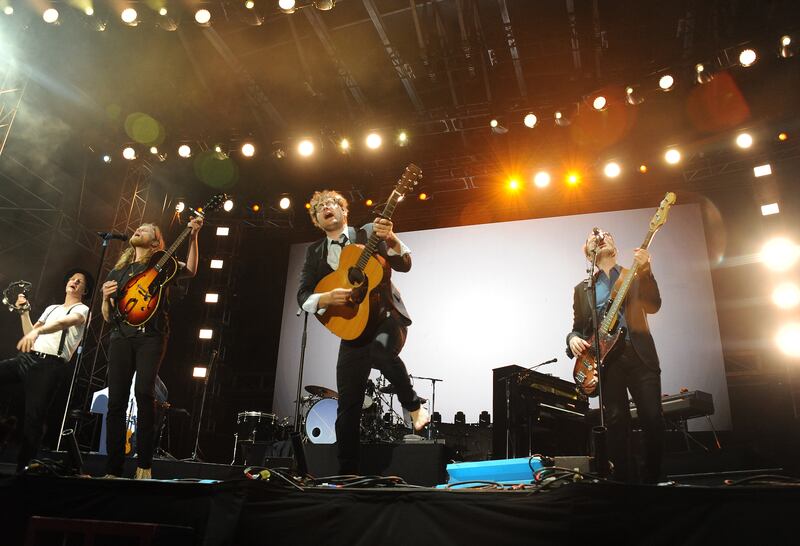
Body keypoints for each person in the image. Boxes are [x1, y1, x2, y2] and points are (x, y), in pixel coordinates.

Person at [297, 190, 429, 474]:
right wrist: (327, 297)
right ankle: (347, 475)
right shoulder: (315, 252)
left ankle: (414, 406)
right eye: (319, 207)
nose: (326, 208)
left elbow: (404, 264)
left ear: (344, 211)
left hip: (385, 317)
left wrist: (391, 238)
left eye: (331, 203)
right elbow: (303, 295)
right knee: (347, 407)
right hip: (353, 328)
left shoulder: (368, 232)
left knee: (380, 353)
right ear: (317, 220)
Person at [101, 219, 202, 479]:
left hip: (151, 336)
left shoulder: (162, 264)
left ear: (156, 242)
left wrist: (193, 236)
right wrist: (104, 297)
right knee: (116, 402)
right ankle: (113, 469)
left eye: (146, 229)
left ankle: (144, 465)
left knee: (144, 394)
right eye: (139, 228)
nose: (138, 230)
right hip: (121, 336)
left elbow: (191, 270)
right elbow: (107, 316)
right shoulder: (118, 271)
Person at [566, 229, 664, 483]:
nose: (600, 237)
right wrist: (572, 339)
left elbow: (653, 306)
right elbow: (579, 328)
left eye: (607, 234)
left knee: (652, 417)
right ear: (589, 253)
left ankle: (654, 480)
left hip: (639, 355)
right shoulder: (582, 289)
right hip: (607, 362)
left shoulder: (633, 275)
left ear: (615, 246)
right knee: (616, 421)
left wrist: (646, 269)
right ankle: (623, 482)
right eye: (593, 238)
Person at [0, 268, 93, 471]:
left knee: (34, 417)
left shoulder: (82, 310)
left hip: (49, 366)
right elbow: (30, 333)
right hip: (28, 358)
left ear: (85, 290)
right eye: (72, 279)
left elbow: (65, 322)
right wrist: (24, 312)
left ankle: (24, 468)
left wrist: (39, 330)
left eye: (79, 281)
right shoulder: (52, 308)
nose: (74, 282)